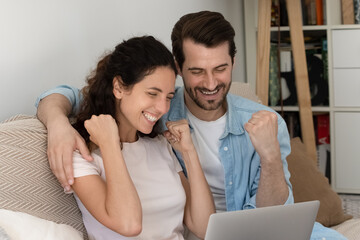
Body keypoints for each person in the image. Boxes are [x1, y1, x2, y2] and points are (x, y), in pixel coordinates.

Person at [36, 11, 347, 240]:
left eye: (220, 69)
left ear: (233, 64)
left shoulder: (164, 138)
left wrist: (269, 157)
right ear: (179, 68)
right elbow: (69, 96)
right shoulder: (153, 118)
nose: (210, 83)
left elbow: (272, 216)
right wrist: (57, 123)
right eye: (197, 71)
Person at [41, 35, 215, 240]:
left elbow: (205, 228)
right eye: (152, 94)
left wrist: (189, 152)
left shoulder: (160, 145)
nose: (163, 108)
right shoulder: (82, 153)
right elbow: (129, 224)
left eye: (168, 97)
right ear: (119, 87)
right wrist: (109, 144)